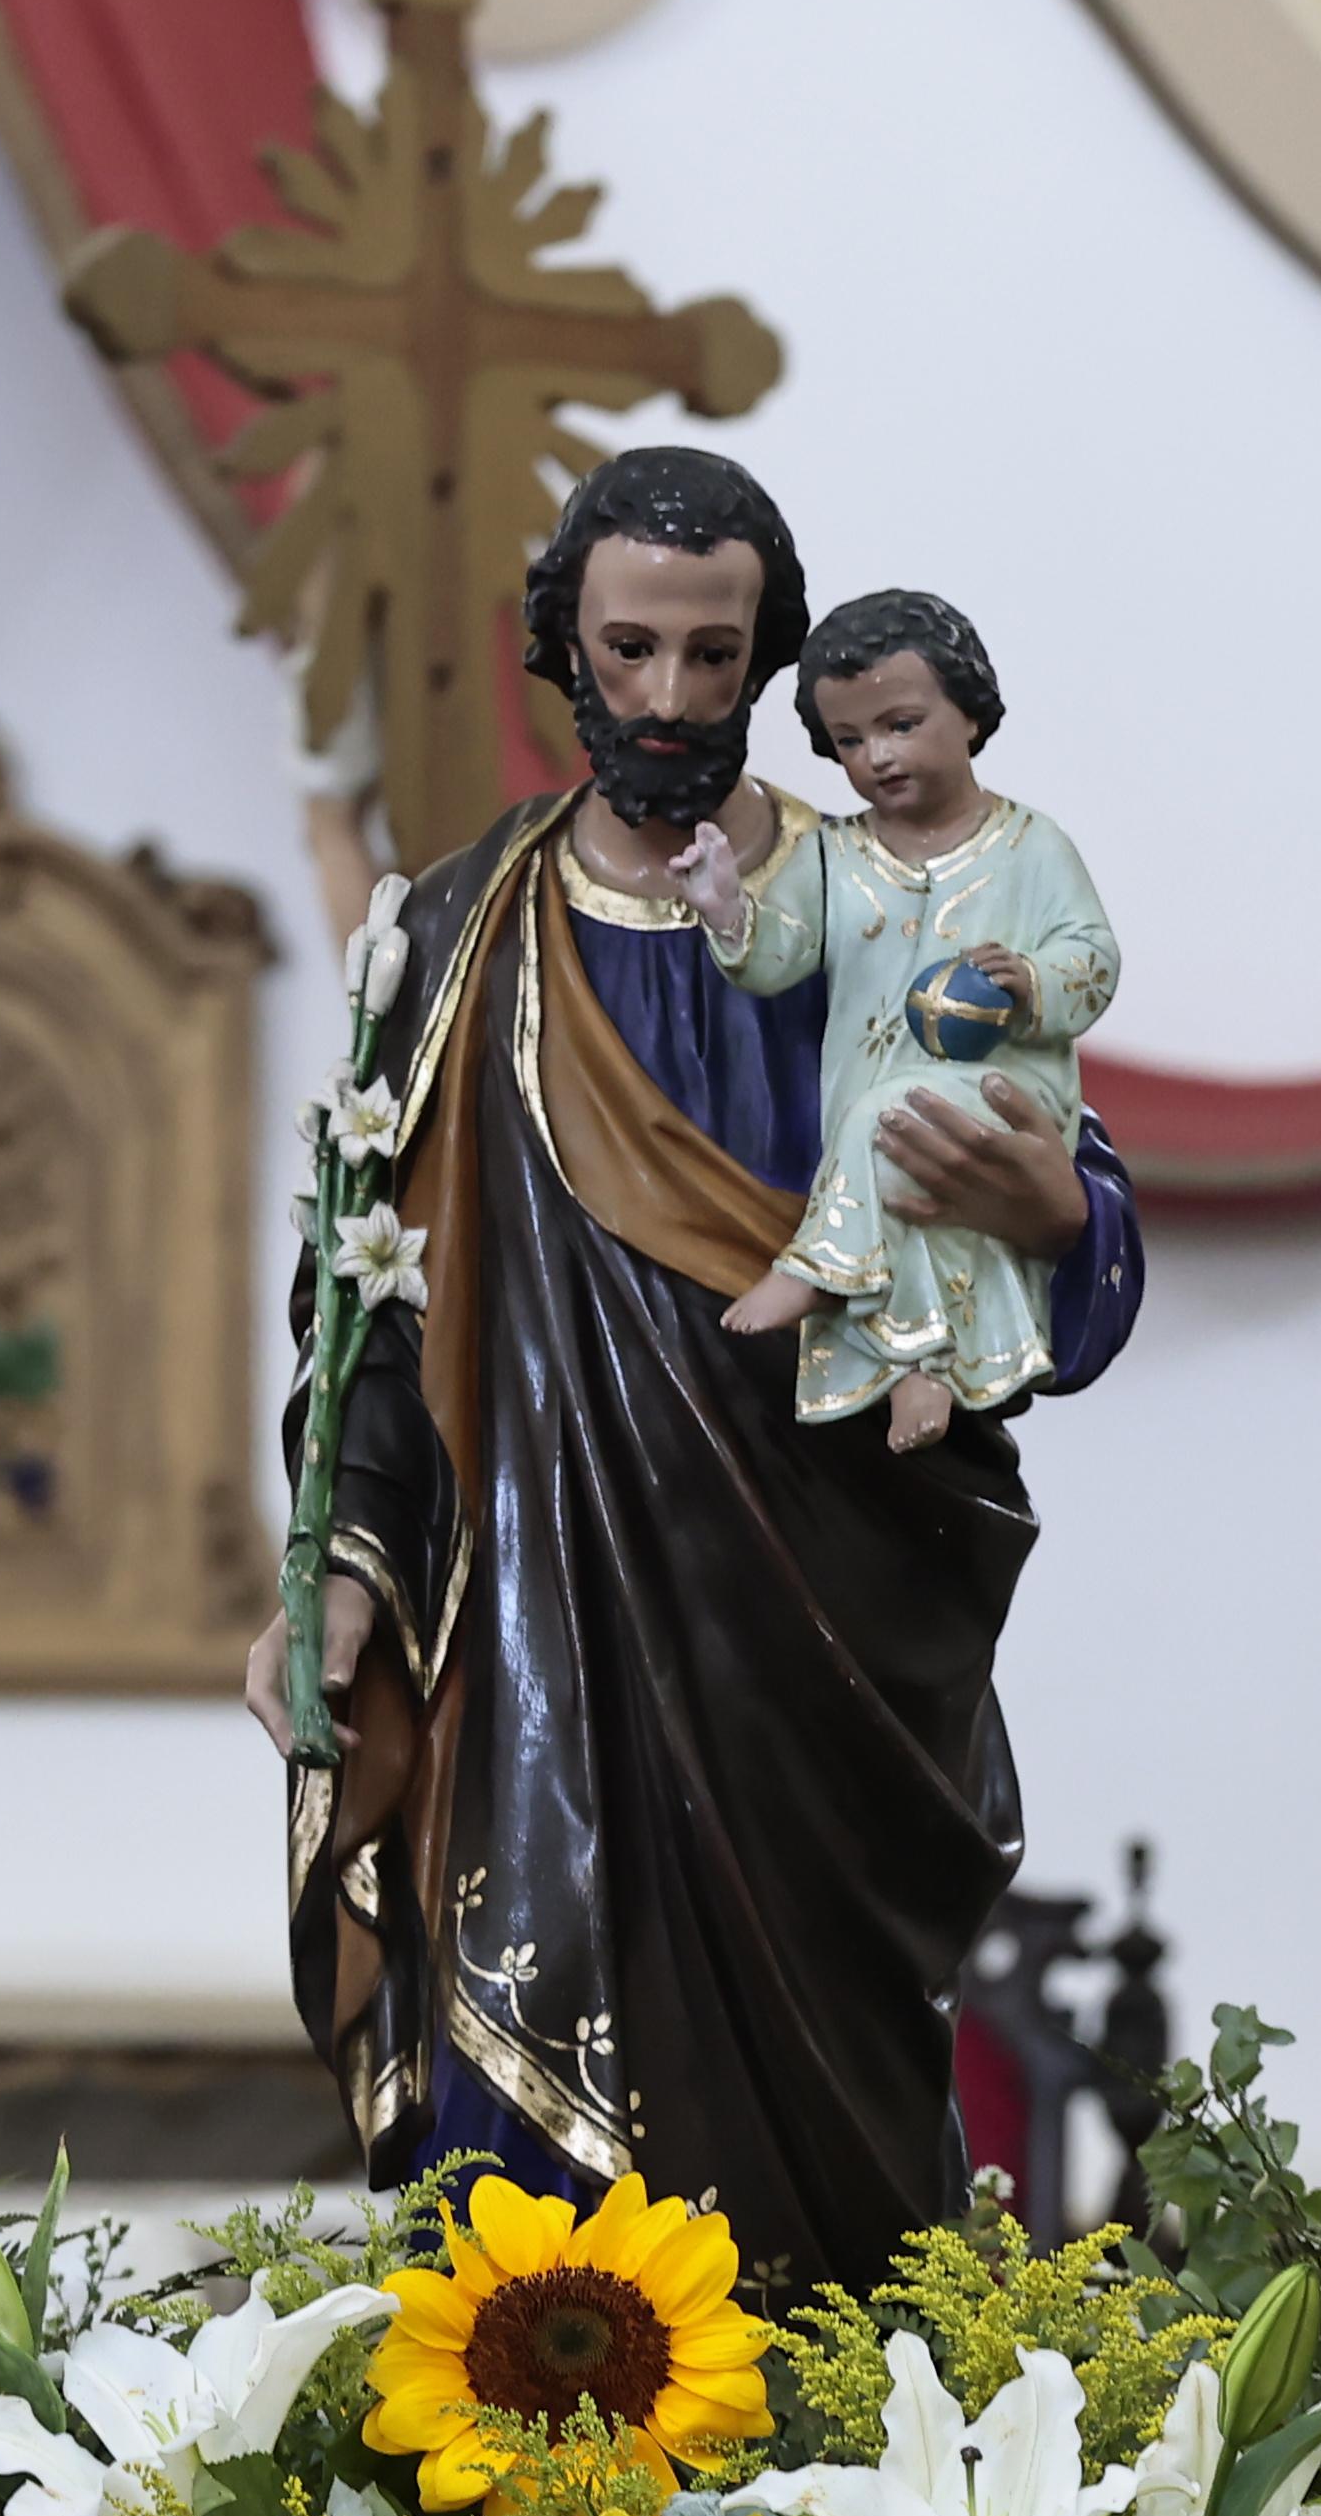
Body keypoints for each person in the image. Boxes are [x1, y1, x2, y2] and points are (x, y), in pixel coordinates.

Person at [241, 446, 1149, 2292]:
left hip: (813, 1640)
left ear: (771, 664)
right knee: (528, 2231)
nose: (665, 700)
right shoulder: (454, 936)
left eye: (713, 656)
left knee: (831, 2197)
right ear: (563, 649)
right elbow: (372, 1314)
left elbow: (1066, 1215)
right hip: (534, 1659)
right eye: (629, 649)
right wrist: (340, 1561)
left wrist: (1056, 1219)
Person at [674, 588, 1118, 1451]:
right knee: (907, 1188)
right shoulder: (834, 856)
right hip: (868, 1115)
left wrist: (1031, 980)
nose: (876, 755)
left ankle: (813, 1270)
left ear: (971, 717)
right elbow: (777, 957)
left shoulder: (1032, 848)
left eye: (902, 724)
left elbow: (1093, 959)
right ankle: (926, 1370)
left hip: (1006, 1086)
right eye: (849, 741)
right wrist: (727, 910)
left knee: (896, 1120)